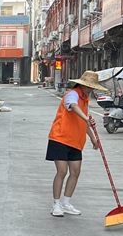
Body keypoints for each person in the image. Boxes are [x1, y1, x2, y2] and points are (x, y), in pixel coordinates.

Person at [46, 70, 108, 217]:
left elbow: (83, 120)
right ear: (82, 85)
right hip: (60, 138)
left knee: (75, 172)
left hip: (75, 141)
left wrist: (93, 138)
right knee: (62, 171)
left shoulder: (85, 99)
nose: (91, 90)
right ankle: (56, 204)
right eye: (89, 87)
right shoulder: (72, 94)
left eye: (92, 87)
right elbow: (73, 106)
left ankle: (66, 203)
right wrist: (86, 118)